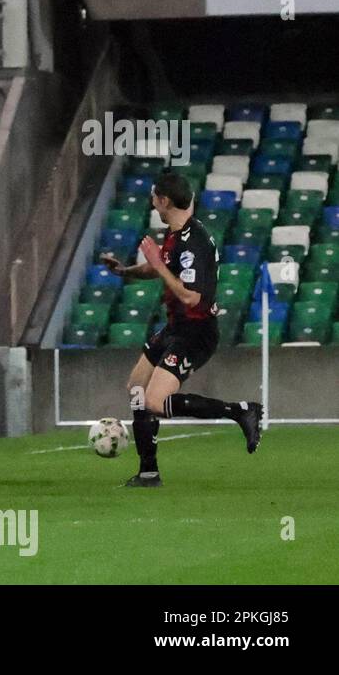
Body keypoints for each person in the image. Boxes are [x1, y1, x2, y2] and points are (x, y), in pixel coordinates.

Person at [102, 172, 263, 487]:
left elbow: (192, 296)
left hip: (196, 332)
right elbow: (158, 265)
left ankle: (241, 411)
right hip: (176, 327)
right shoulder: (176, 234)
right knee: (136, 386)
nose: (151, 202)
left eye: (153, 197)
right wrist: (125, 271)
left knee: (154, 401)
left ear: (164, 200)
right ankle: (149, 472)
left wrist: (160, 267)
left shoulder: (195, 242)